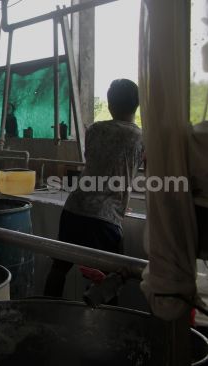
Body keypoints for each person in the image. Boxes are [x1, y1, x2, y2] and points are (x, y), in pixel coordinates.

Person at [43, 79, 144, 299]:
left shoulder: (95, 130)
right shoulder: (141, 138)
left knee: (59, 269)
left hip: (75, 209)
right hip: (105, 218)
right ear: (138, 105)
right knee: (107, 282)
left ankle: (46, 314)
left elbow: (98, 163)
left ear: (110, 105)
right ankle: (107, 329)